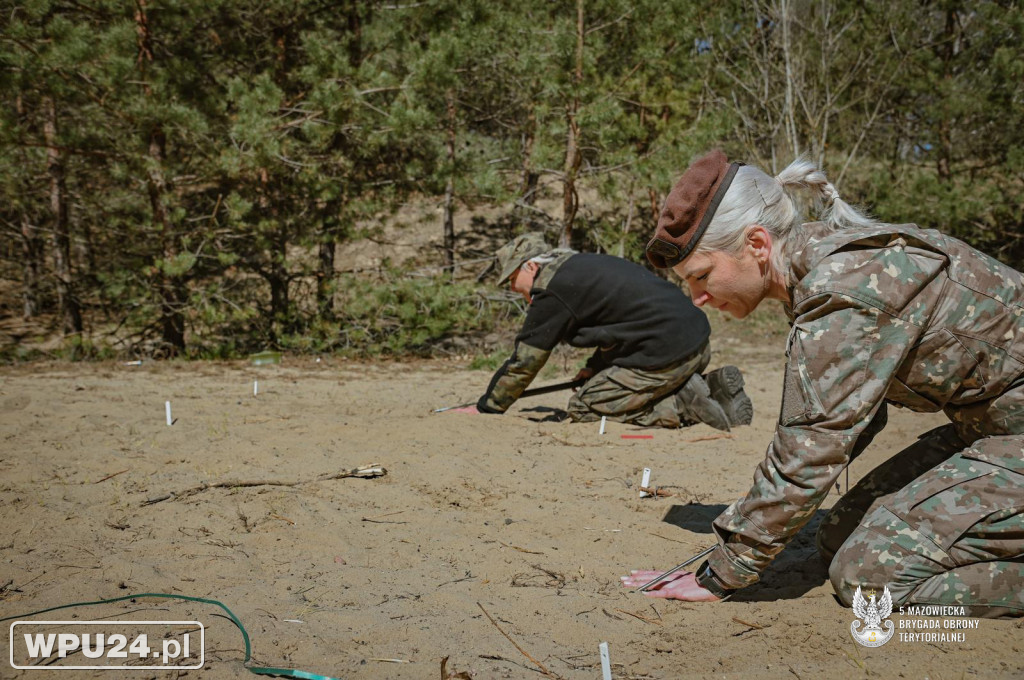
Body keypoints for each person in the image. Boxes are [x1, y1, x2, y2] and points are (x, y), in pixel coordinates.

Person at [620, 150, 1024, 617]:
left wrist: (722, 570)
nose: (698, 298)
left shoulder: (844, 287)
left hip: (1009, 432)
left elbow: (813, 447)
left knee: (869, 577)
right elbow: (840, 425)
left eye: (703, 276)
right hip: (989, 429)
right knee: (837, 540)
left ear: (756, 243)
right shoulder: (821, 272)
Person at [450, 232, 753, 430]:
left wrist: (488, 407)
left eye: (512, 280)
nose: (516, 291)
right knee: (604, 386)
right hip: (697, 343)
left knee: (586, 406)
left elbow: (525, 362)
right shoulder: (581, 267)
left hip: (667, 355)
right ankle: (709, 387)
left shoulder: (552, 289)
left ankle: (683, 406)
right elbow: (622, 324)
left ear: (529, 267)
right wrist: (593, 368)